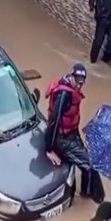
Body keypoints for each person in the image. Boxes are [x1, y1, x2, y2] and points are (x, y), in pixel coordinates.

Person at [44, 64, 105, 204]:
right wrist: (49, 149)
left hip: (71, 134)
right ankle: (90, 199)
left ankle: (87, 193)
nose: (79, 85)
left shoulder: (69, 88)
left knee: (88, 162)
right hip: (61, 139)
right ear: (70, 77)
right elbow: (54, 121)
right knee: (90, 165)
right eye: (77, 81)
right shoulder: (64, 95)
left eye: (81, 83)